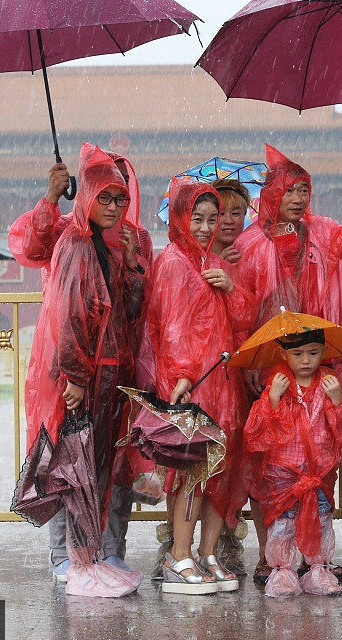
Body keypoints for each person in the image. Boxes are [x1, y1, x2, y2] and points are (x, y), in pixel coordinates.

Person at [233, 144, 342, 583]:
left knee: (320, 458)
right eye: (289, 190)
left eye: (304, 190)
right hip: (268, 367)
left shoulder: (321, 232)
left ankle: (315, 552)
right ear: (271, 194)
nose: (298, 199)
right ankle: (273, 553)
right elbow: (239, 308)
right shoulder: (249, 244)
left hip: (317, 363)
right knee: (268, 464)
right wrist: (248, 366)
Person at [9, 149, 153, 579]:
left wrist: (133, 268)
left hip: (115, 370)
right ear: (86, 192)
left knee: (109, 462)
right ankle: (65, 555)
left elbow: (132, 310)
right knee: (68, 458)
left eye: (121, 195)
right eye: (104, 194)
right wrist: (51, 197)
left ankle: (106, 551)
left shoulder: (131, 240)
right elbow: (69, 310)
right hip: (75, 368)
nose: (114, 205)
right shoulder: (72, 238)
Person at [149, 180, 255, 594]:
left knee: (220, 472)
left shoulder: (211, 261)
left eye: (214, 219)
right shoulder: (174, 262)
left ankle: (208, 553)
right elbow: (172, 327)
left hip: (223, 381)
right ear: (180, 219)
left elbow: (242, 319)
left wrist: (230, 287)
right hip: (194, 384)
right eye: (198, 219)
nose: (207, 227)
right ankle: (179, 556)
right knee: (192, 472)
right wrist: (182, 376)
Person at [243, 327, 342, 597]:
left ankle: (318, 569)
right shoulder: (277, 384)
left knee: (321, 520)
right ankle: (282, 571)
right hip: (284, 472)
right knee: (283, 523)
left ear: (324, 351)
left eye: (313, 352)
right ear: (283, 354)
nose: (306, 360)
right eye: (297, 354)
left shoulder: (331, 383)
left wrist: (337, 400)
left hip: (319, 472)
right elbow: (259, 432)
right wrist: (273, 398)